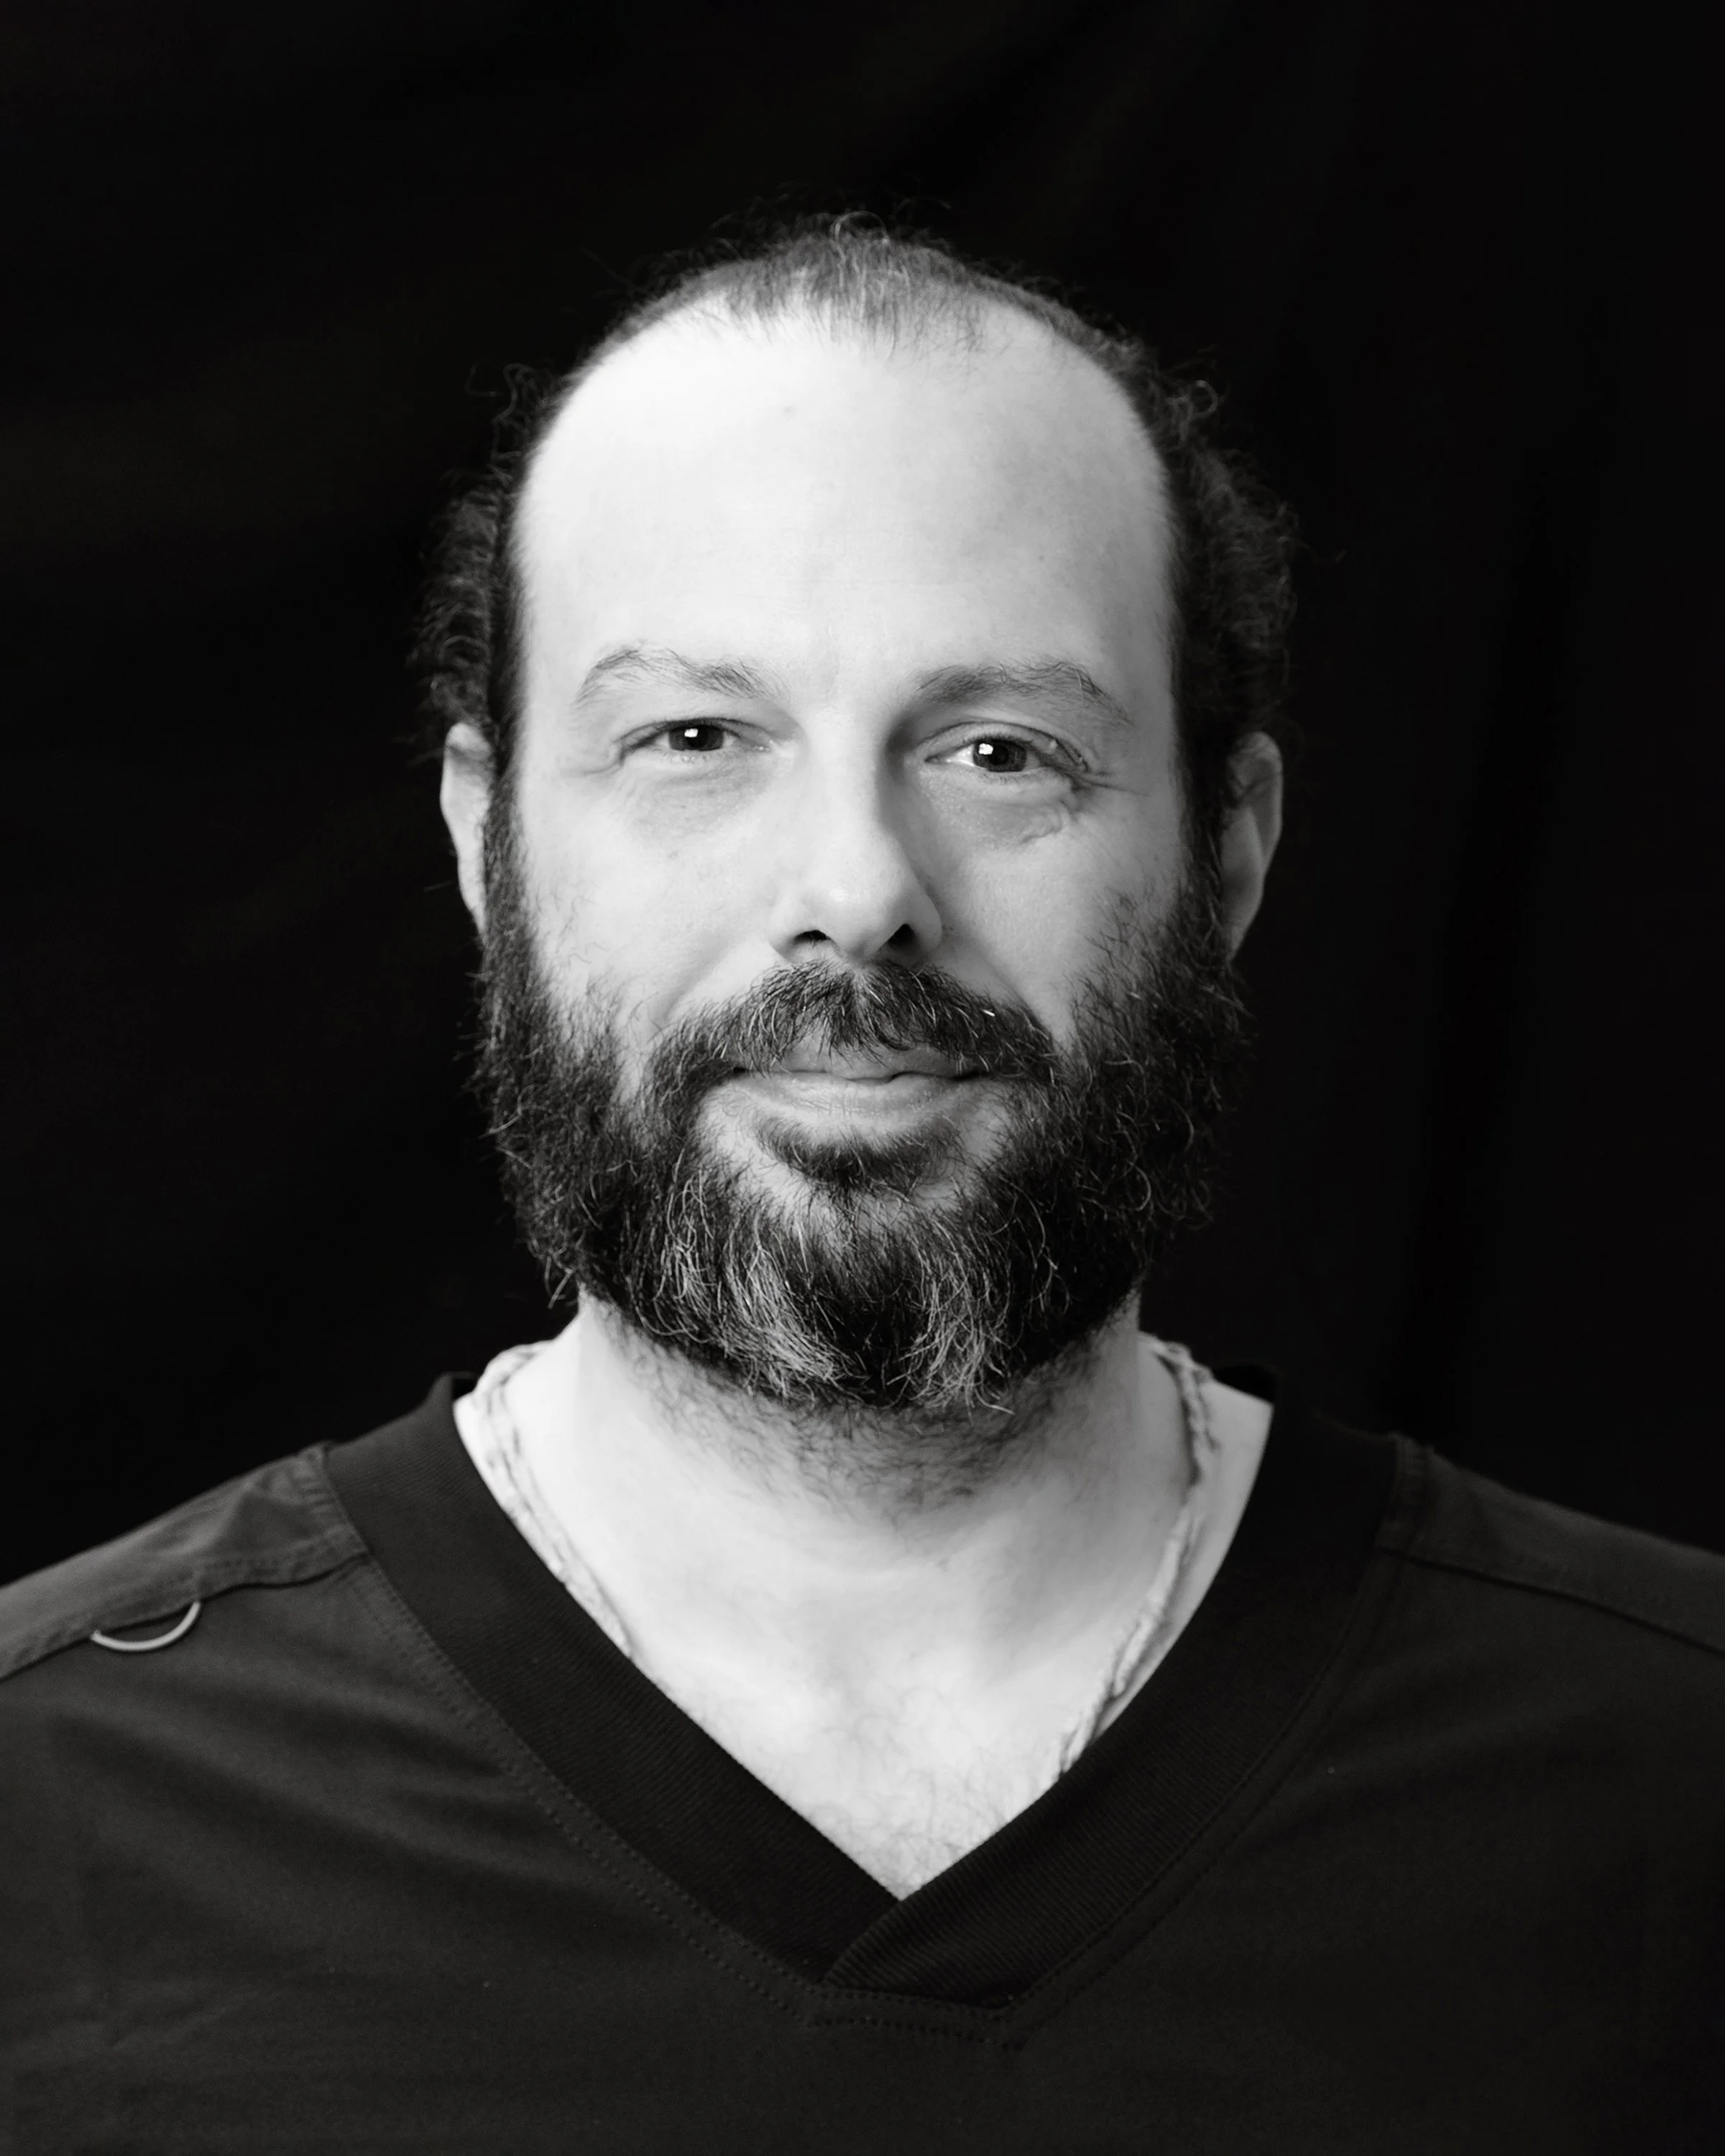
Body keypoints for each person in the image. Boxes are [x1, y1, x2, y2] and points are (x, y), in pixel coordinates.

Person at [2, 220, 1721, 2153]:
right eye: (697, 740)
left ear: (1228, 857)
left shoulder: (1674, 1781)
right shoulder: (48, 1808)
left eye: (1001, 750)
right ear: (490, 850)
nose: (857, 888)